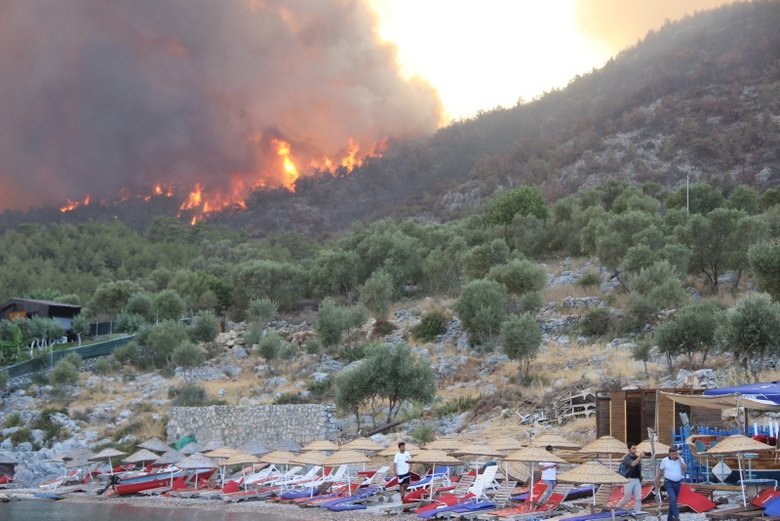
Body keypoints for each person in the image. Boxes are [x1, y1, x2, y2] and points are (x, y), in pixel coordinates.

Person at [657, 446, 687, 521]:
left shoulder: (680, 459)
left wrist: (679, 459)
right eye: (672, 454)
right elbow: (660, 471)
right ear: (669, 454)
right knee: (673, 499)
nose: (674, 456)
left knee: (673, 501)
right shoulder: (664, 460)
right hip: (668, 482)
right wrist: (657, 482)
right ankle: (677, 517)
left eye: (675, 454)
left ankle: (669, 518)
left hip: (678, 482)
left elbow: (685, 468)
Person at [615, 443, 643, 514]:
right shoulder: (626, 458)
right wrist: (640, 457)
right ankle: (616, 509)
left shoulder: (637, 457)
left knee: (638, 498)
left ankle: (637, 512)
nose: (635, 450)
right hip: (628, 480)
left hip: (637, 479)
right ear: (629, 449)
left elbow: (640, 468)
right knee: (627, 498)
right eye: (633, 448)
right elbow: (632, 464)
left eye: (635, 448)